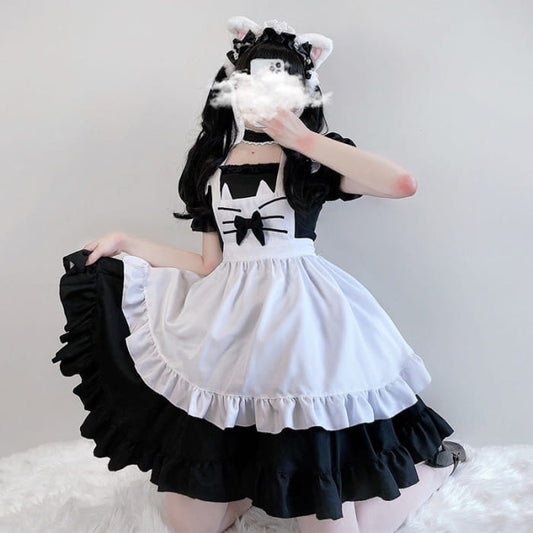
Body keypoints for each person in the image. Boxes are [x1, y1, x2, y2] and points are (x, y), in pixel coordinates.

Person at [52, 16, 467, 533]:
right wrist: (127, 243)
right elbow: (209, 265)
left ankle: (437, 469)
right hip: (229, 322)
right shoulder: (211, 165)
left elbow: (401, 183)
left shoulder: (311, 160)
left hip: (303, 321)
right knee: (189, 524)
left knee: (334, 525)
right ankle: (252, 479)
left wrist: (303, 138)